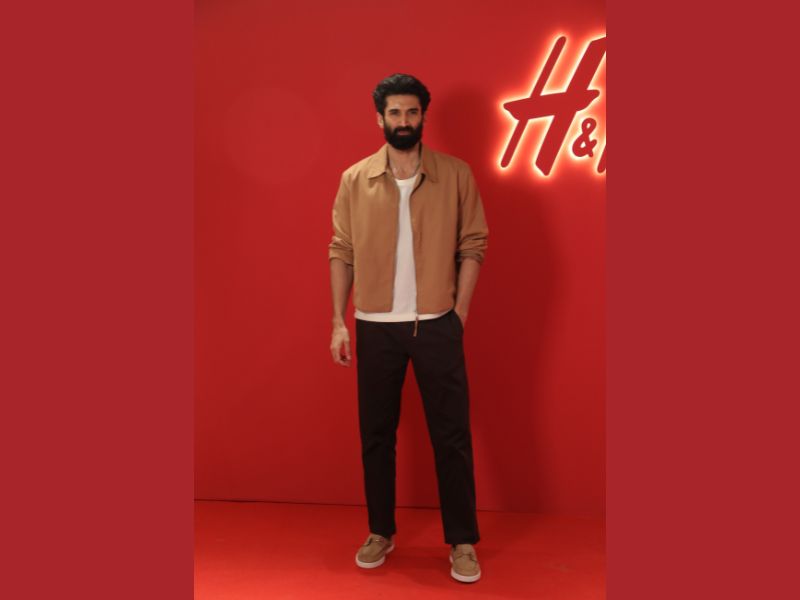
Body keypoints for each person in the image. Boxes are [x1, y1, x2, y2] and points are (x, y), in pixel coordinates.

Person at [327, 73, 488, 584]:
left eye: (412, 112)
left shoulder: (455, 175)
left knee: (452, 436)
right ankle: (380, 531)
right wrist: (338, 322)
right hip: (374, 326)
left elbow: (473, 244)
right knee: (375, 436)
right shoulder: (355, 179)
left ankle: (462, 541)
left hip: (437, 324)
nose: (403, 121)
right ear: (380, 118)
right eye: (395, 112)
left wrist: (459, 315)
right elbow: (341, 250)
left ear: (423, 117)